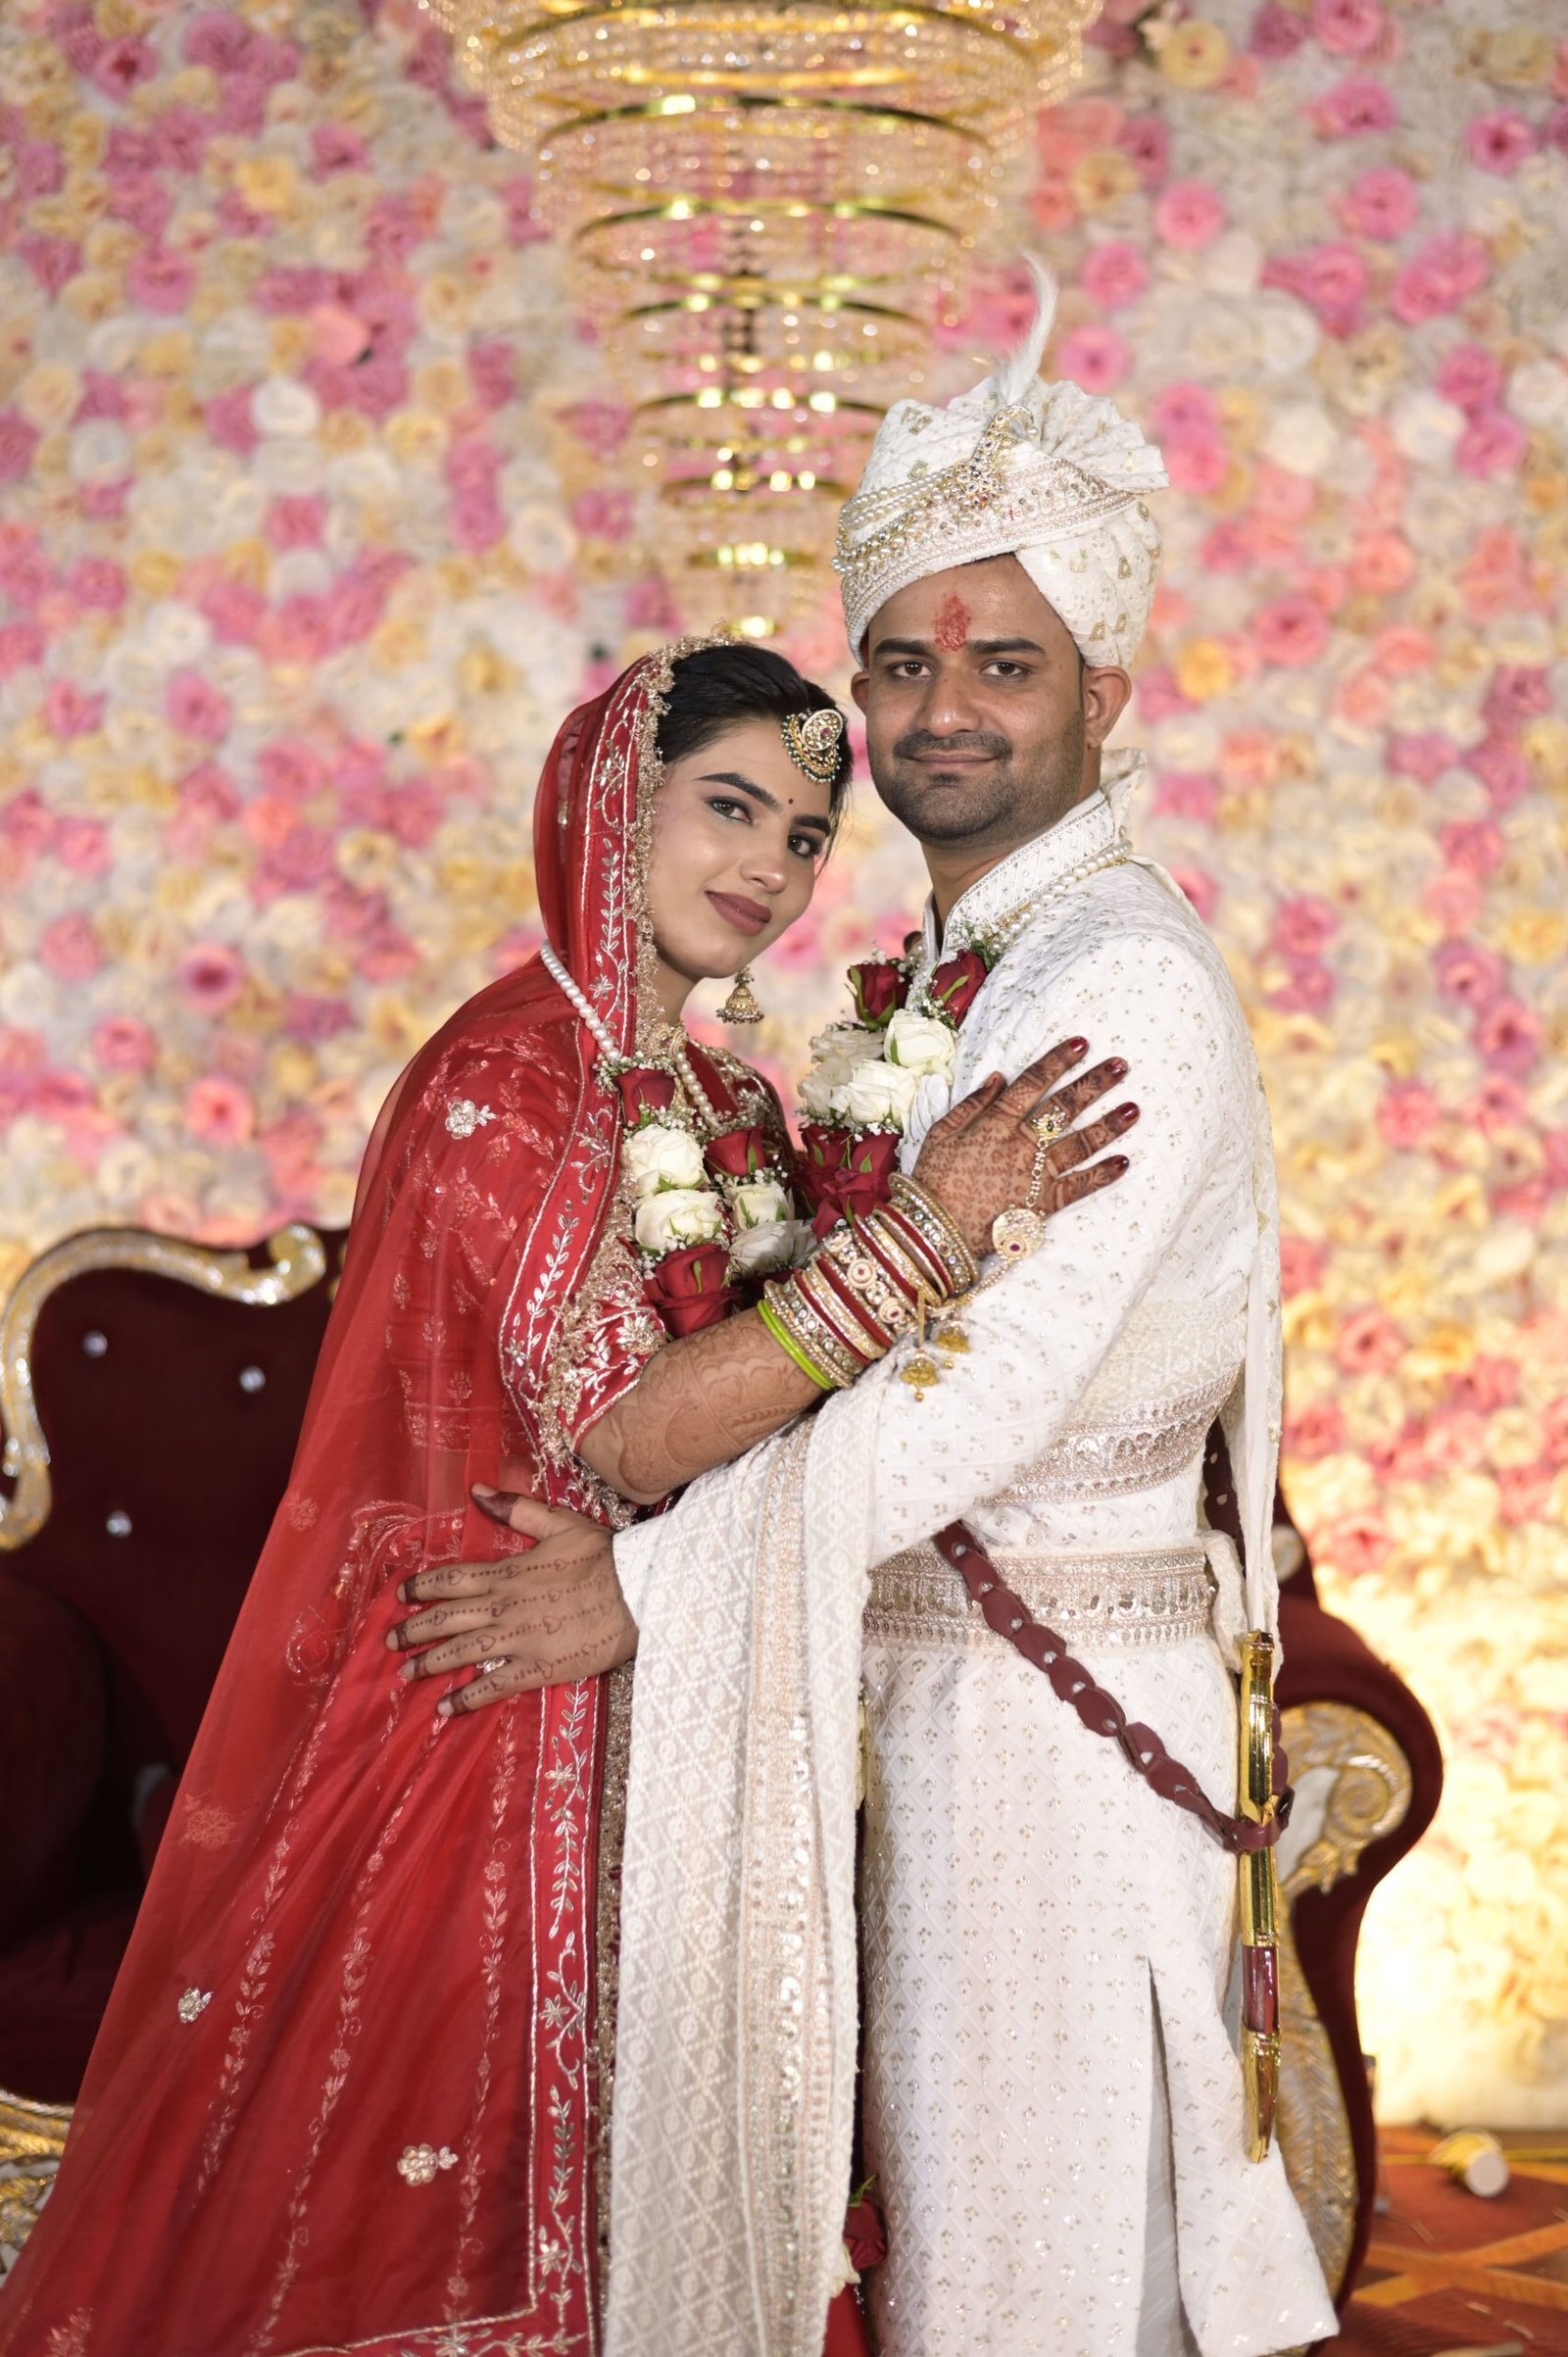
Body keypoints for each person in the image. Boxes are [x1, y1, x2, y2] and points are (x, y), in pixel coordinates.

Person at [0, 639, 1129, 2357]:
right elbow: (626, 1436)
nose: (769, 866)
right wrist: (926, 1235)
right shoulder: (505, 1081)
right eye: (729, 806)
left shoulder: (723, 1093)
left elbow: (774, 1411)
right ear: (615, 801)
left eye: (805, 835)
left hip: (669, 1674)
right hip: (491, 1707)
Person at [416, 275, 1342, 2356]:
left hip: (1048, 1736)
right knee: (950, 2266)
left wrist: (633, 1591)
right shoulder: (957, 974)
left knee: (1037, 2279)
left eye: (1003, 664)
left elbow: (961, 1414)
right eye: (904, 662)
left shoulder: (1115, 982)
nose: (943, 710)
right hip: (920, 1701)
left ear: (1105, 688)